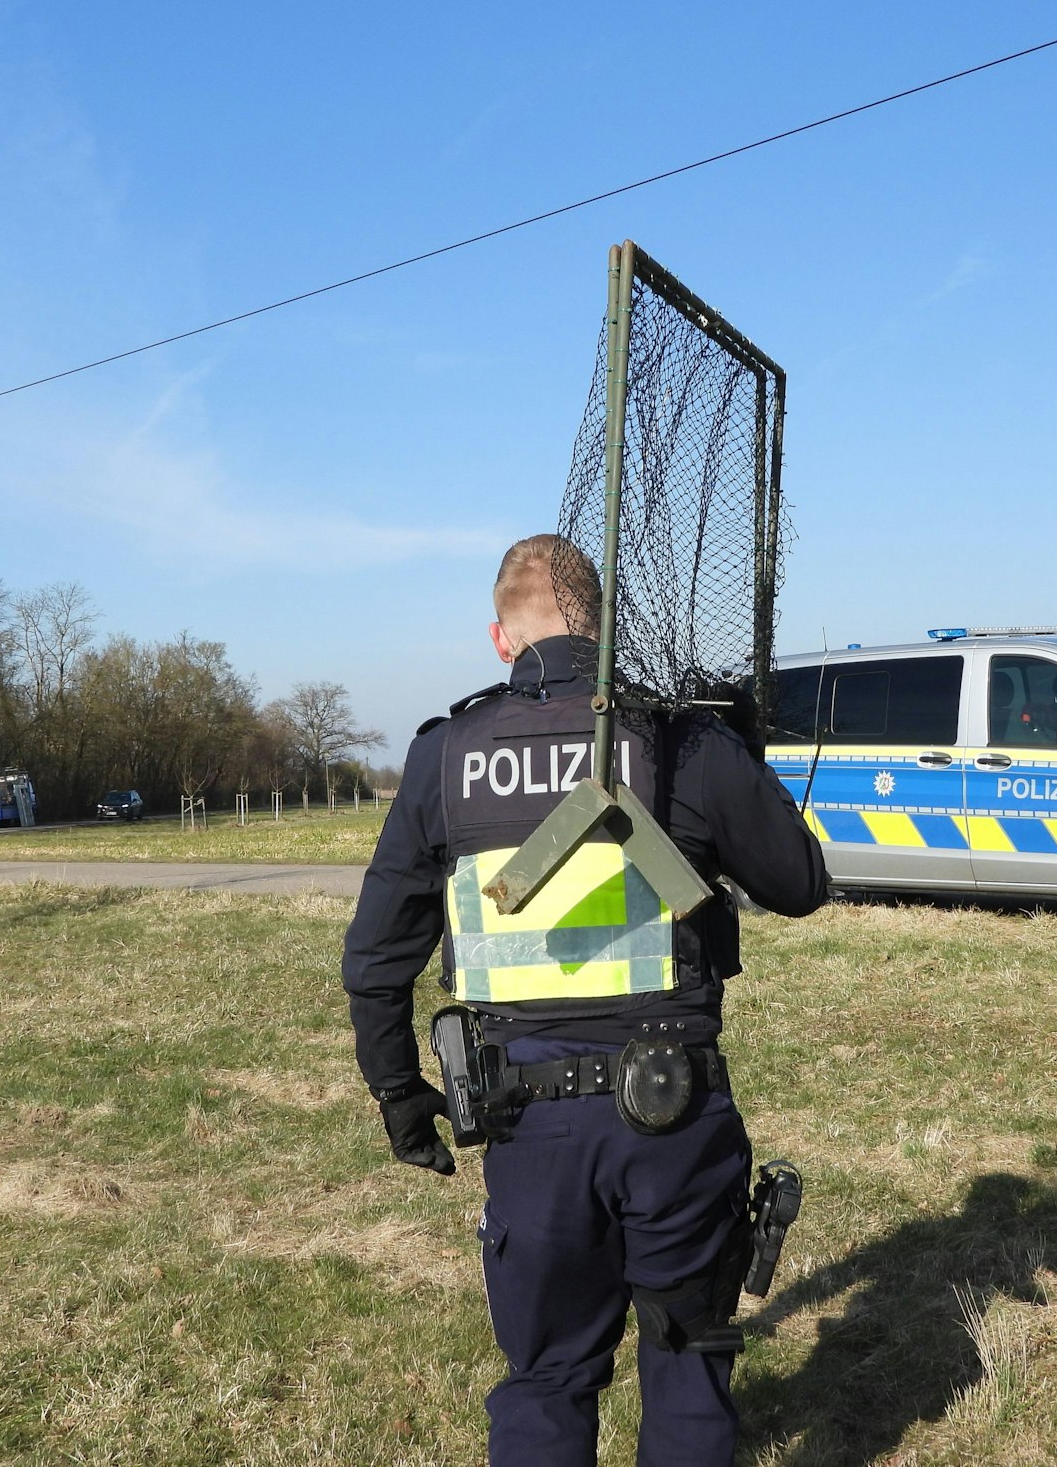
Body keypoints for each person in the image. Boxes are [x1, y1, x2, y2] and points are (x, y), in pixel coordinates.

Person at [341, 532, 829, 1466]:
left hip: (527, 1130)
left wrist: (400, 1093)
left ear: (500, 639)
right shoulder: (679, 741)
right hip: (672, 1114)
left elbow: (375, 959)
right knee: (686, 1363)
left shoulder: (447, 760)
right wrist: (741, 753)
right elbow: (799, 882)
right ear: (605, 629)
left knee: (548, 1379)